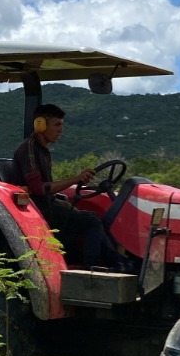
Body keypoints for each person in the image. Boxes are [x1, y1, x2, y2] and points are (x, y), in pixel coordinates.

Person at [13, 103, 120, 270]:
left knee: (93, 218)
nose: (60, 130)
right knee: (91, 221)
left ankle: (113, 263)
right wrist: (75, 179)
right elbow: (39, 189)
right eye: (57, 124)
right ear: (40, 124)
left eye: (61, 125)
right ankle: (91, 270)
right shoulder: (29, 149)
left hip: (47, 205)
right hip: (35, 209)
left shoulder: (43, 151)